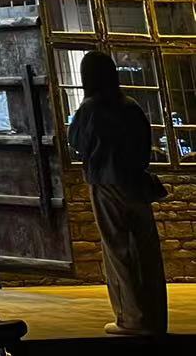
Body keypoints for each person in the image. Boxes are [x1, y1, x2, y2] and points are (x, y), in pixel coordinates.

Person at [67, 51, 167, 337]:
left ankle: (130, 318)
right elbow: (145, 145)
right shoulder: (130, 106)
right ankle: (155, 317)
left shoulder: (90, 109)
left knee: (118, 250)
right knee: (146, 251)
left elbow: (76, 141)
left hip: (106, 183)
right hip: (136, 183)